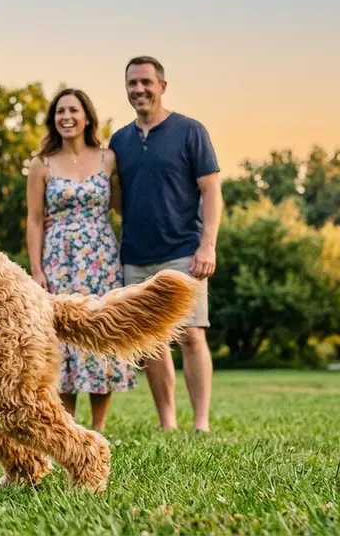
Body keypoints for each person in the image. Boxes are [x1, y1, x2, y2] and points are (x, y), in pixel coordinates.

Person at [108, 56, 222, 433]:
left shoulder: (190, 131)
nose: (138, 90)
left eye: (145, 82)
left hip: (183, 251)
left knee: (191, 334)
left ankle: (201, 423)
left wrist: (208, 245)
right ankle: (167, 423)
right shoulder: (120, 140)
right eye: (132, 84)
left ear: (162, 86)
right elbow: (117, 198)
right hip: (136, 256)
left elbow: (211, 191)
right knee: (153, 342)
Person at [26, 87, 134, 433]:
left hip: (101, 257)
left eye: (73, 110)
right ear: (52, 120)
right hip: (59, 258)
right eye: (60, 112)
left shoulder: (109, 159)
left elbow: (121, 206)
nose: (67, 117)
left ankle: (99, 427)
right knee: (65, 337)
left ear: (87, 116)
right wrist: (37, 270)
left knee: (101, 330)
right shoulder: (41, 164)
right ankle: (69, 425)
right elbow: (33, 218)